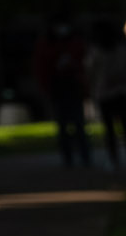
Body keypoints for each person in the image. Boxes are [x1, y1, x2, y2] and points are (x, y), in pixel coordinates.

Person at [32, 19, 90, 167]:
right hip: (58, 88)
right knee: (63, 125)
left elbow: (83, 65)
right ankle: (68, 158)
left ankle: (84, 157)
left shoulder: (74, 43)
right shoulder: (47, 45)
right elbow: (42, 69)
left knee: (78, 124)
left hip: (73, 87)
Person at [86, 20, 126, 169]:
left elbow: (90, 73)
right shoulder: (115, 50)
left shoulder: (98, 52)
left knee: (113, 129)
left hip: (109, 94)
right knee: (123, 128)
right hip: (116, 93)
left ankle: (118, 159)